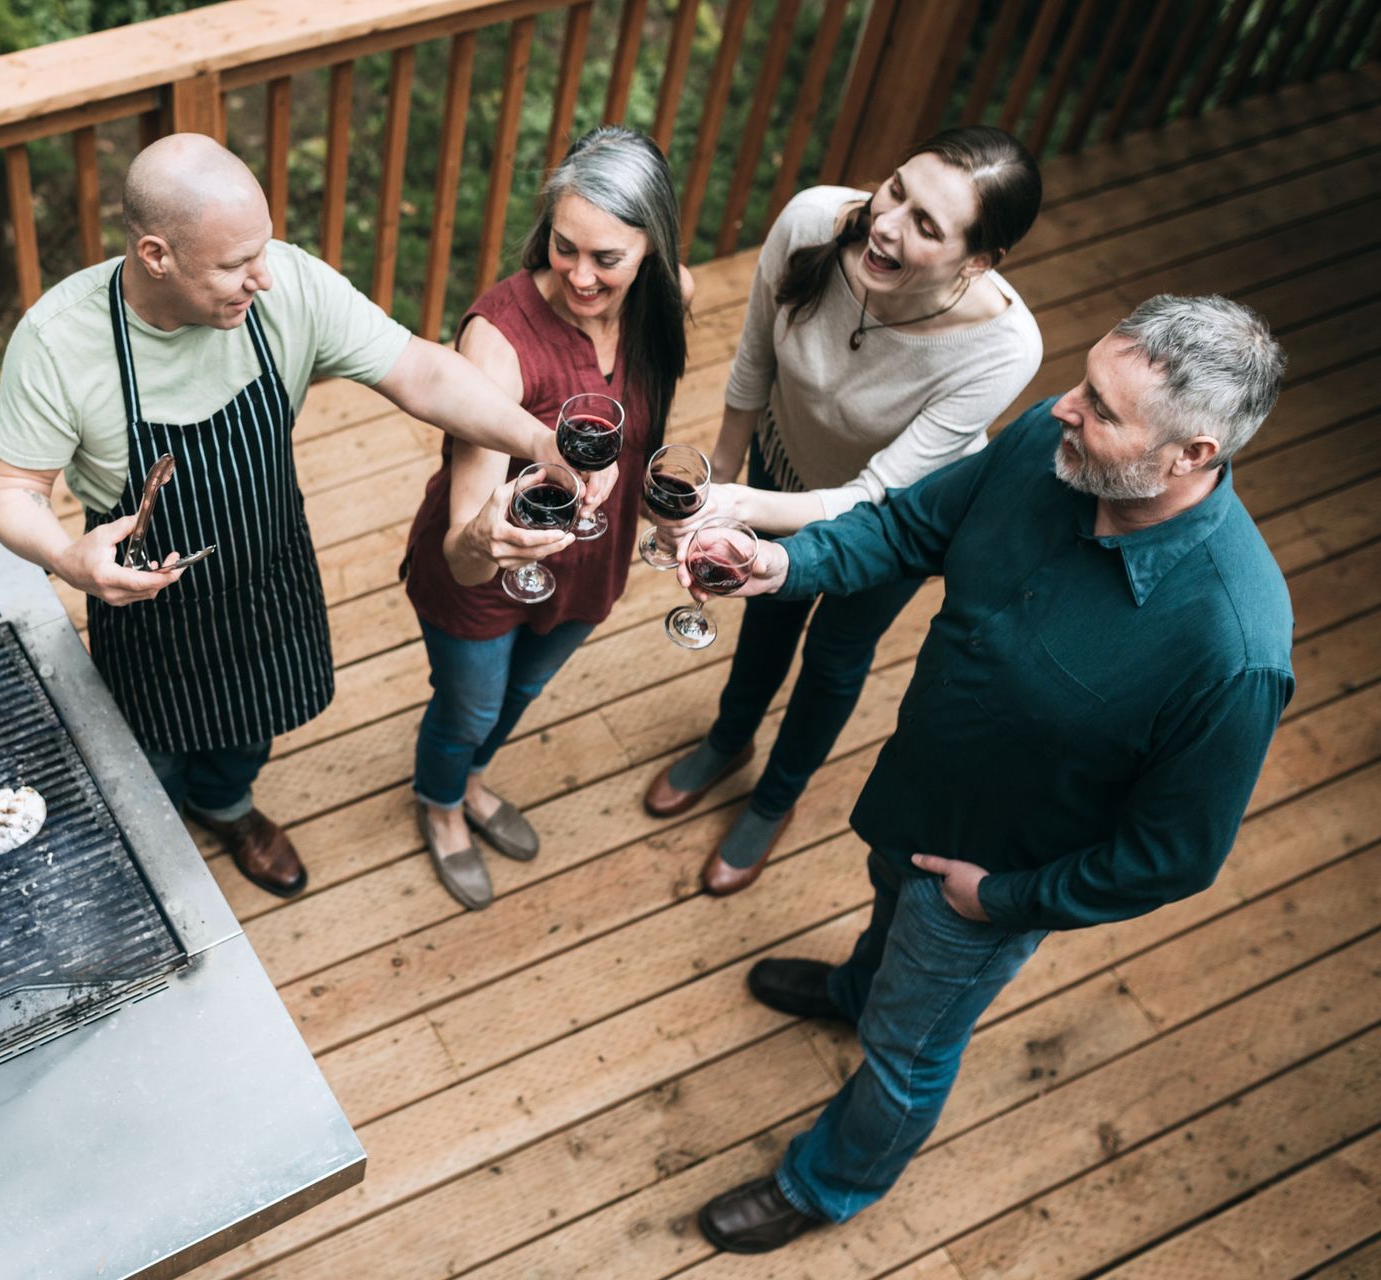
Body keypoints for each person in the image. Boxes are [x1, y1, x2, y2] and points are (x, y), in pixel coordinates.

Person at [691, 295, 1291, 1253]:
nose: (1064, 406)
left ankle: (829, 1181)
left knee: (909, 1050)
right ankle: (855, 991)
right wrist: (778, 565)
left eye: (1101, 406)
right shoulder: (1052, 448)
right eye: (1082, 383)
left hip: (990, 883)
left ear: (1192, 456)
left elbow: (1173, 857)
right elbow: (907, 531)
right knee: (887, 929)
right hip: (916, 789)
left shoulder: (1232, 646)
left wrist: (1001, 897)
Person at [0, 133, 600, 899]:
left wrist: (541, 440)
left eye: (263, 252)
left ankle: (228, 806)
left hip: (268, 569)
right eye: (236, 266)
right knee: (149, 762)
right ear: (155, 255)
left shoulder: (286, 288)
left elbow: (423, 370)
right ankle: (154, 851)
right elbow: (10, 488)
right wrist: (71, 560)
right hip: (146, 604)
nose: (261, 279)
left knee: (251, 728)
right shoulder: (60, 340)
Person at [643, 126, 1043, 897]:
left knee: (834, 653)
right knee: (763, 609)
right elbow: (755, 355)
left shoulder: (1004, 348)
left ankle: (775, 798)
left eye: (928, 225)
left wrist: (737, 505)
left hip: (897, 519)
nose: (885, 223)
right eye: (896, 189)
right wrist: (722, 473)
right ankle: (729, 739)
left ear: (980, 261)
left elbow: (875, 493)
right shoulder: (811, 222)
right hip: (780, 462)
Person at [401, 126, 691, 909]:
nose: (582, 278)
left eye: (608, 259)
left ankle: (473, 781)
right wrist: (485, 538)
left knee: (519, 698)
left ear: (652, 252)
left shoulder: (667, 303)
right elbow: (466, 548)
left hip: (593, 558)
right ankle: (441, 801)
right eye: (566, 248)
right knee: (471, 707)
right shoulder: (496, 340)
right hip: (489, 568)